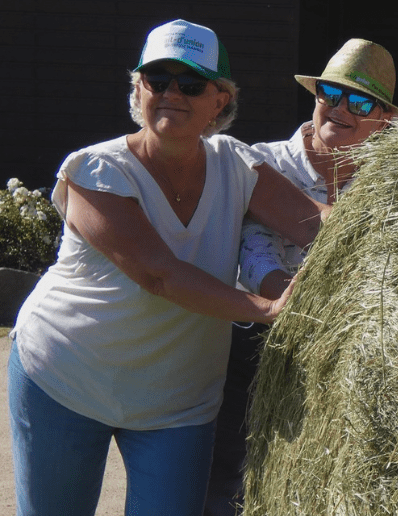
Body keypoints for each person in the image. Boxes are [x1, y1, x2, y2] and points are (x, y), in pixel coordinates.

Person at [8, 19, 329, 515]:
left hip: (178, 405)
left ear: (219, 100)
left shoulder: (237, 165)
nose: (171, 93)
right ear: (138, 90)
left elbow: (319, 225)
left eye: (191, 83)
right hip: (66, 379)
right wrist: (267, 307)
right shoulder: (97, 169)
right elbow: (157, 272)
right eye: (157, 80)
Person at [204, 38, 398, 516]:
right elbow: (254, 246)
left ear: (385, 120)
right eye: (330, 93)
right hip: (257, 336)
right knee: (233, 474)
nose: (339, 108)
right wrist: (290, 305)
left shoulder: (388, 181)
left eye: (359, 101)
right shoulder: (264, 160)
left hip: (346, 346)